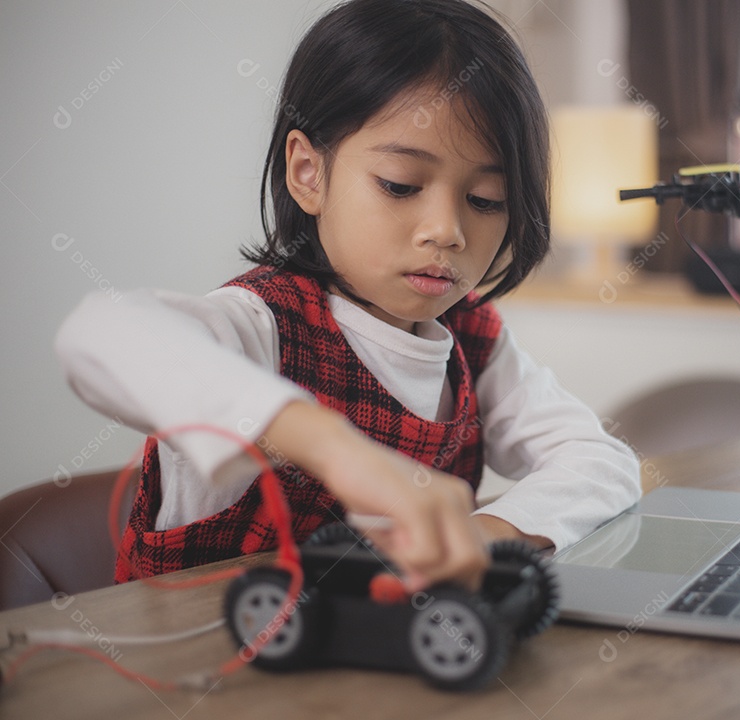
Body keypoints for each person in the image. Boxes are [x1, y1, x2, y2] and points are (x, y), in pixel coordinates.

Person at [54, 0, 641, 594]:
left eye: (487, 198)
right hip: (206, 671)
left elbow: (602, 460)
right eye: (400, 185)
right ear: (309, 173)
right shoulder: (262, 326)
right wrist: (337, 452)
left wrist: (485, 532)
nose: (447, 230)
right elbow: (100, 333)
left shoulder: (475, 340)